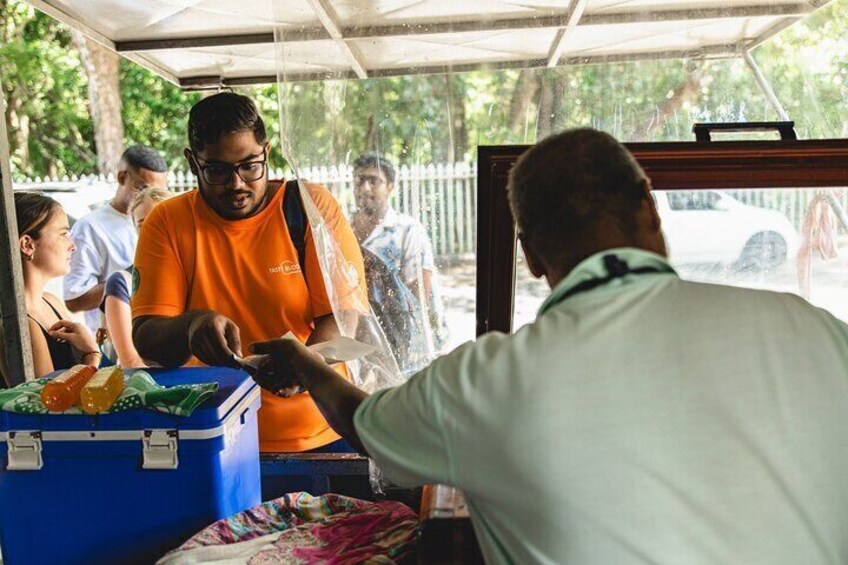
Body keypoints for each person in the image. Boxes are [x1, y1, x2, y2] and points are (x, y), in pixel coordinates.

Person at [250, 129, 848, 564]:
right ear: (650, 207)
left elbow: (363, 424)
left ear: (529, 255)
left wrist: (302, 359)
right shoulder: (816, 332)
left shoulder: (487, 381)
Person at [132, 92, 365, 453]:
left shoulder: (309, 207)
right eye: (218, 170)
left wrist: (302, 366)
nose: (237, 184)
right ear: (193, 163)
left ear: (267, 152)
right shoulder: (167, 222)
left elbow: (342, 315)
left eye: (250, 166)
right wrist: (191, 326)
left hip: (318, 435)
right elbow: (147, 340)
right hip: (214, 439)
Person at [350, 153, 448, 361]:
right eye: (360, 180)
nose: (364, 188)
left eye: (373, 181)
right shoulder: (343, 229)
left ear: (390, 186)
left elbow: (418, 293)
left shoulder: (408, 231)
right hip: (355, 342)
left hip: (398, 342)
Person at [64, 145, 169, 336]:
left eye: (159, 191)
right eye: (144, 187)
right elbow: (74, 300)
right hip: (114, 343)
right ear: (122, 177)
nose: (151, 197)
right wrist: (132, 277)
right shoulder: (90, 228)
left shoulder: (167, 220)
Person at [16, 192, 101, 378]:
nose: (72, 246)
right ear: (27, 245)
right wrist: (92, 356)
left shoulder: (51, 301)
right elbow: (47, 401)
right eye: (63, 234)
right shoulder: (21, 323)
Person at [99, 187, 175, 368]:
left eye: (159, 219)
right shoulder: (122, 282)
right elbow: (129, 360)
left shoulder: (192, 275)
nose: (152, 228)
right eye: (143, 224)